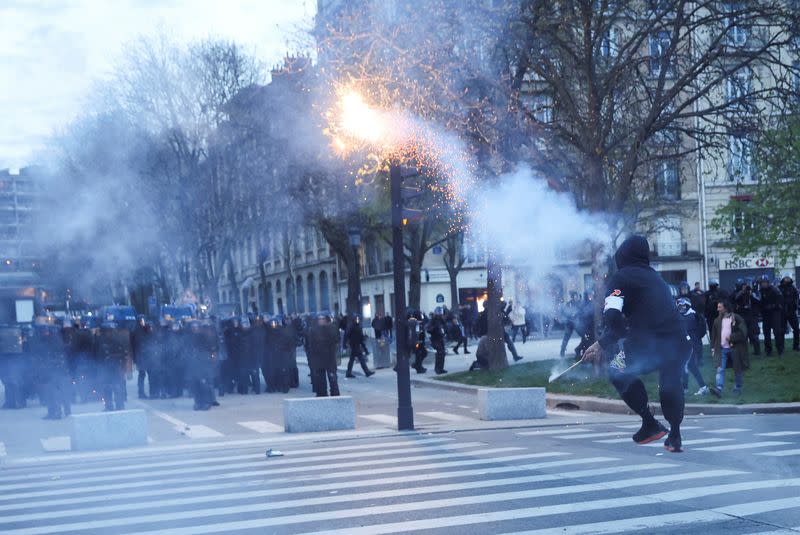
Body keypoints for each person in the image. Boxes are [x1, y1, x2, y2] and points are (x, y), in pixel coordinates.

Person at [582, 235, 689, 453]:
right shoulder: (655, 277)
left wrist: (604, 342)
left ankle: (649, 423)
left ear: (622, 255)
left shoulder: (620, 278)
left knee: (617, 371)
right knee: (670, 383)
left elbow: (612, 316)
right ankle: (675, 435)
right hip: (679, 342)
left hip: (646, 344)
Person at [677, 297, 719, 397]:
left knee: (689, 366)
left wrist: (693, 341)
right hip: (686, 345)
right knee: (686, 366)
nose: (681, 308)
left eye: (683, 306)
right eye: (679, 306)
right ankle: (687, 388)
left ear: (687, 306)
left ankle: (701, 387)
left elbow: (688, 331)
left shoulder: (690, 316)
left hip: (691, 345)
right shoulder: (685, 315)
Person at [710, 300, 750, 395]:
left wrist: (732, 337)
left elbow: (743, 333)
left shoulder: (736, 318)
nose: (718, 309)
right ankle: (719, 388)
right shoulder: (717, 321)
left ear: (725, 308)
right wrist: (713, 349)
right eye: (718, 307)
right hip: (722, 349)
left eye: (720, 307)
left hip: (735, 348)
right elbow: (714, 337)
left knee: (737, 368)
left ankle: (738, 387)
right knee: (720, 368)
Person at [304, 313, 340, 397]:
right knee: (320, 378)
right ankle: (321, 393)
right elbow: (311, 345)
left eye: (323, 319)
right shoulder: (313, 330)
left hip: (330, 358)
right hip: (318, 358)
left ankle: (335, 393)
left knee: (332, 378)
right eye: (319, 319)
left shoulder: (331, 328)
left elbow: (336, 339)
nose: (321, 321)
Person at [755, 274, 784, 356]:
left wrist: (774, 306)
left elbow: (780, 300)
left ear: (768, 282)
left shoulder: (774, 289)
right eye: (762, 282)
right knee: (766, 333)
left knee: (777, 332)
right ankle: (768, 350)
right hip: (766, 314)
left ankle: (780, 350)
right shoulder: (760, 291)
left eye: (765, 282)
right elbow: (759, 302)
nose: (763, 284)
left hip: (775, 313)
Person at [779, 274, 800, 352]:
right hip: (782, 312)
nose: (787, 279)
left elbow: (797, 298)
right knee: (782, 330)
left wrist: (795, 306)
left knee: (796, 329)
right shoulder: (779, 288)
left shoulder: (793, 288)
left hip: (791, 311)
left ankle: (796, 346)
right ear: (783, 278)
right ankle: (781, 347)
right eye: (785, 278)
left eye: (788, 278)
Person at [559, 292, 580, 357]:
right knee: (566, 337)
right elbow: (565, 312)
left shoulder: (577, 303)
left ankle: (579, 349)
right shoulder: (569, 304)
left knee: (583, 335)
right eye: (575, 296)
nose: (576, 297)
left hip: (575, 323)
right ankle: (562, 351)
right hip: (570, 323)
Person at [428, 307, 448, 375]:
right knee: (439, 353)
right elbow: (429, 329)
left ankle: (441, 368)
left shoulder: (442, 320)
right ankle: (437, 369)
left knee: (443, 353)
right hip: (435, 339)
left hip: (441, 338)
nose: (440, 314)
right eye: (439, 312)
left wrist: (445, 332)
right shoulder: (433, 320)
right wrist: (434, 328)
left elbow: (445, 327)